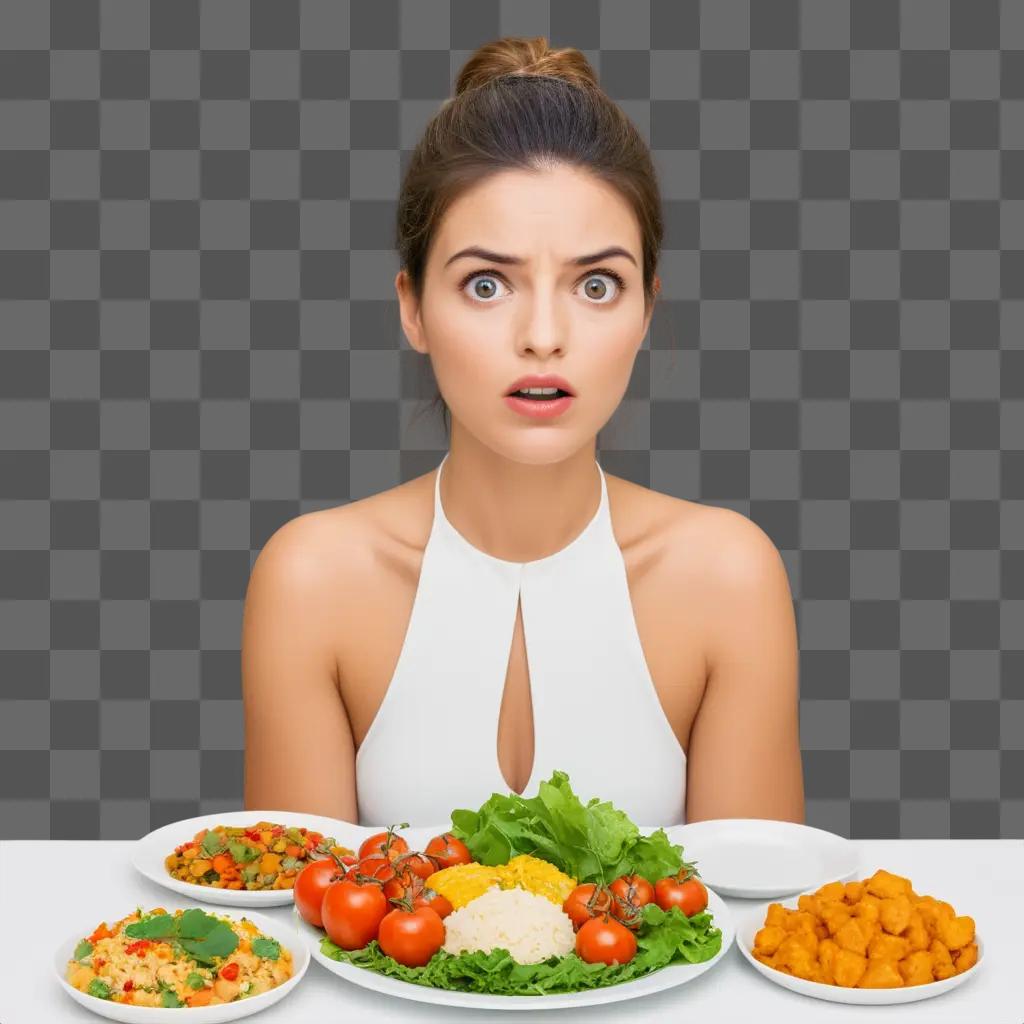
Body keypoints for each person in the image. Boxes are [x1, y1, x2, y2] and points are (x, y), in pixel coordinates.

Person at [241, 36, 804, 827]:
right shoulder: (310, 582)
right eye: (486, 283)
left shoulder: (729, 580)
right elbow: (285, 931)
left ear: (647, 309)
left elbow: (757, 925)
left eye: (598, 284)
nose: (543, 335)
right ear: (412, 307)